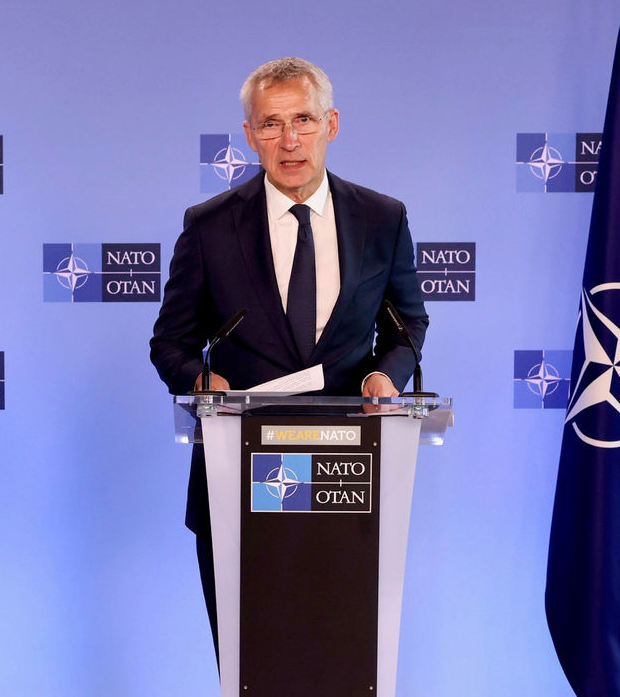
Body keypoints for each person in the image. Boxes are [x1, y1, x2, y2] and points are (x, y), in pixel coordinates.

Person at [149, 57, 429, 650]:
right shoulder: (209, 227)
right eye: (271, 124)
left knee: (343, 662)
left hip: (346, 475)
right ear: (250, 136)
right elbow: (170, 342)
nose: (290, 139)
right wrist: (200, 381)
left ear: (331, 123)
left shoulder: (383, 218)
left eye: (303, 119)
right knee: (252, 660)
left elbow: (407, 326)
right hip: (241, 477)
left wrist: (386, 373)